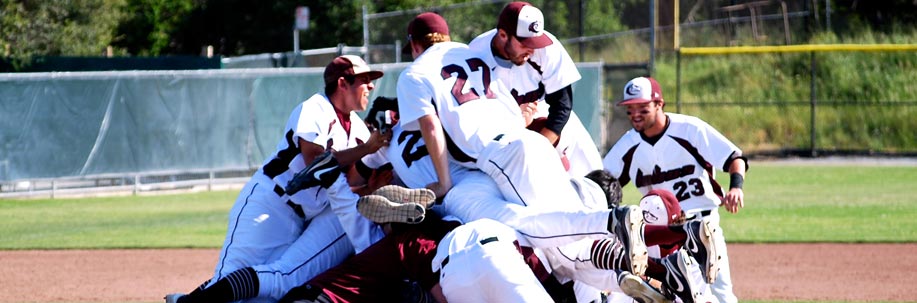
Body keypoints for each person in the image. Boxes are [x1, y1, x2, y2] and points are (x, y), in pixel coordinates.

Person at [164, 55, 392, 303]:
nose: (370, 86)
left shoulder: (358, 129)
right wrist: (366, 150)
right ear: (342, 83)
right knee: (232, 278)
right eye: (365, 80)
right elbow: (315, 163)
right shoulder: (316, 108)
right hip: (270, 205)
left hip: (305, 217)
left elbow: (352, 179)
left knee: (269, 286)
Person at [603, 76, 747, 303]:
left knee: (721, 296)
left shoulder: (689, 129)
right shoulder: (627, 145)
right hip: (662, 236)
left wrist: (736, 188)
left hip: (703, 227)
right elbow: (603, 183)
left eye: (642, 107)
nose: (635, 114)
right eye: (630, 109)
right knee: (671, 295)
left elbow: (733, 158)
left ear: (659, 104)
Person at [468, 1, 603, 177]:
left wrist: (541, 150)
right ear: (502, 35)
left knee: (591, 166)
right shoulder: (476, 54)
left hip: (542, 113)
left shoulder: (547, 49)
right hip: (498, 130)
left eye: (535, 42)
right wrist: (514, 118)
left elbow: (562, 106)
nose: (531, 50)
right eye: (525, 43)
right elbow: (473, 117)